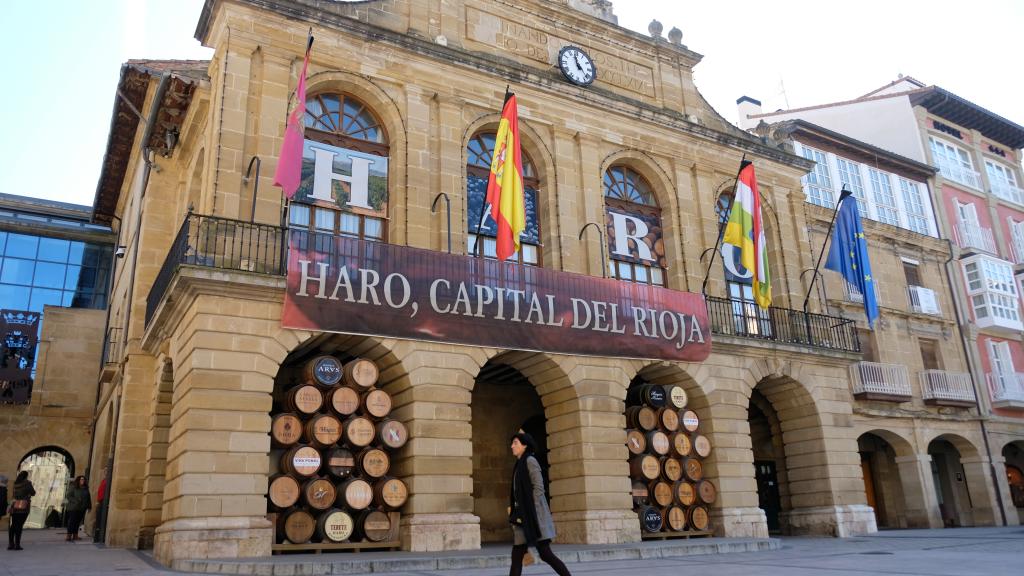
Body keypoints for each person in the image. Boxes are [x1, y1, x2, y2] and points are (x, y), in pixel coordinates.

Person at [507, 432, 572, 576]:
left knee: (545, 554)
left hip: (535, 517)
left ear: (525, 445)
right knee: (517, 556)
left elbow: (539, 488)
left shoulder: (530, 461)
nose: (512, 446)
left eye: (515, 443)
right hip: (523, 517)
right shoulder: (518, 464)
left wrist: (530, 508)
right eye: (512, 443)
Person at [8, 470, 35, 550]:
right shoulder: (27, 483)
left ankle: (11, 544)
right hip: (23, 507)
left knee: (13, 525)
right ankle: (17, 545)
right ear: (26, 476)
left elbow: (13, 495)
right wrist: (28, 494)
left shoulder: (15, 483)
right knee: (19, 526)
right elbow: (33, 492)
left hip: (15, 506)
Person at [65, 476, 92, 542]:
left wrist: (89, 506)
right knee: (72, 522)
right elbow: (68, 496)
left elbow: (88, 498)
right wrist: (76, 501)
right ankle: (68, 535)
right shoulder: (73, 487)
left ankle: (75, 535)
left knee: (77, 522)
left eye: (84, 479)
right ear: (78, 480)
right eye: (81, 479)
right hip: (73, 507)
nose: (83, 480)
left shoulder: (86, 488)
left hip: (82, 508)